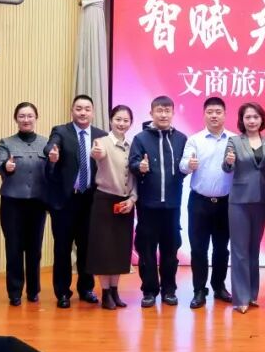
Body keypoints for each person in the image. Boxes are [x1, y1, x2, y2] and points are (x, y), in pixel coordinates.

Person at [45, 94, 107, 308]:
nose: (83, 113)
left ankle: (86, 288)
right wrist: (52, 153)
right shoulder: (61, 131)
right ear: (72, 111)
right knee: (62, 248)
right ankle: (63, 292)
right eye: (79, 108)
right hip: (65, 201)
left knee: (87, 248)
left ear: (93, 112)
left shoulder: (101, 136)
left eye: (87, 109)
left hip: (90, 200)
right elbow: (51, 146)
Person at [129, 95, 188, 308]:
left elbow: (183, 168)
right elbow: (132, 163)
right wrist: (139, 167)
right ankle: (149, 291)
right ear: (151, 113)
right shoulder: (140, 139)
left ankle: (169, 290)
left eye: (167, 110)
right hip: (147, 206)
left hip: (172, 206)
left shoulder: (181, 138)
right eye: (159, 111)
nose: (163, 114)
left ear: (173, 113)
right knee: (146, 251)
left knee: (170, 251)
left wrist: (189, 167)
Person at [180, 97, 234, 309]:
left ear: (225, 114)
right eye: (210, 112)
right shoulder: (195, 140)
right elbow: (183, 166)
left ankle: (219, 286)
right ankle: (199, 290)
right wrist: (189, 164)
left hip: (226, 203)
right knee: (198, 249)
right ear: (204, 115)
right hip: (199, 203)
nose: (214, 116)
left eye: (218, 112)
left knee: (222, 249)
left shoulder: (234, 140)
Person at [0, 102, 50, 306]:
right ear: (16, 119)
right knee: (14, 248)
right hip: (12, 203)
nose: (26, 120)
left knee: (35, 249)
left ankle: (33, 290)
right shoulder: (6, 142)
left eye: (29, 116)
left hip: (37, 203)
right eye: (22, 116)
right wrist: (6, 166)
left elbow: (52, 170)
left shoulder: (46, 143)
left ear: (36, 118)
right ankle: (15, 292)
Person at [222, 102, 265, 314]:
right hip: (239, 202)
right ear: (242, 120)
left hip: (262, 200)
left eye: (255, 117)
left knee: (254, 250)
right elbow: (227, 167)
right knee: (239, 250)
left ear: (262, 119)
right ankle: (240, 298)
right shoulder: (234, 141)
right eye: (248, 117)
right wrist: (229, 162)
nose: (252, 121)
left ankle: (252, 294)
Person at [87, 105, 137, 310]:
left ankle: (115, 291)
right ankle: (105, 293)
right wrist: (96, 153)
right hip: (105, 202)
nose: (121, 124)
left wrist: (133, 199)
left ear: (130, 123)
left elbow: (135, 177)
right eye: (118, 119)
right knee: (104, 249)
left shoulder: (133, 145)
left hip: (125, 203)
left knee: (119, 249)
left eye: (126, 120)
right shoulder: (101, 142)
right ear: (110, 120)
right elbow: (97, 154)